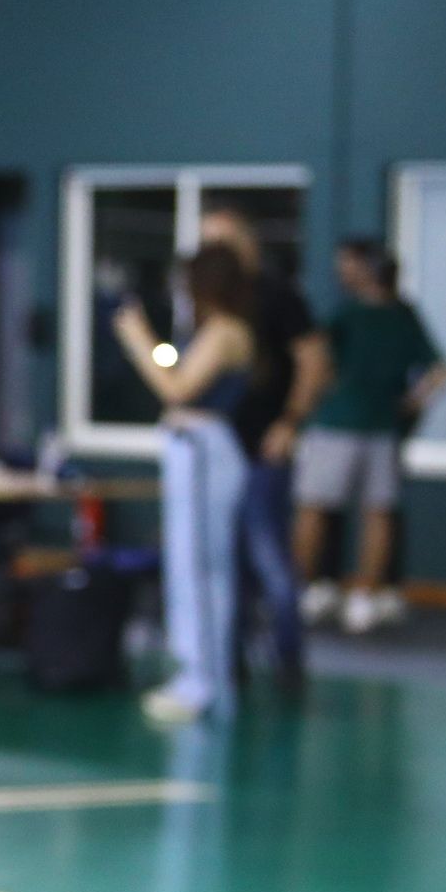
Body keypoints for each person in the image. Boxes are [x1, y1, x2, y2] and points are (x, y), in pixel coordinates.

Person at [114, 244, 257, 723]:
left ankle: (202, 683)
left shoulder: (225, 331)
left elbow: (176, 389)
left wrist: (137, 338)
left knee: (201, 570)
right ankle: (197, 676)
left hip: (203, 453)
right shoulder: (215, 330)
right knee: (187, 566)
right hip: (193, 451)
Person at [199, 206, 327, 690]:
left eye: (222, 240)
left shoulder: (278, 295)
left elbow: (314, 360)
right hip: (218, 449)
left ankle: (287, 659)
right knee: (225, 560)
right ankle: (231, 657)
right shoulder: (215, 303)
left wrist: (290, 422)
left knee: (269, 556)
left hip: (262, 450)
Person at [294, 241, 446, 634]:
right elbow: (440, 372)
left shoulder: (360, 315)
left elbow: (315, 360)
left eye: (348, 265)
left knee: (329, 508)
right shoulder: (387, 315)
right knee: (369, 511)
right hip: (373, 426)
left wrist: (410, 403)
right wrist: (411, 403)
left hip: (345, 425)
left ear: (368, 269)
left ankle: (311, 592)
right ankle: (349, 595)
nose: (342, 272)